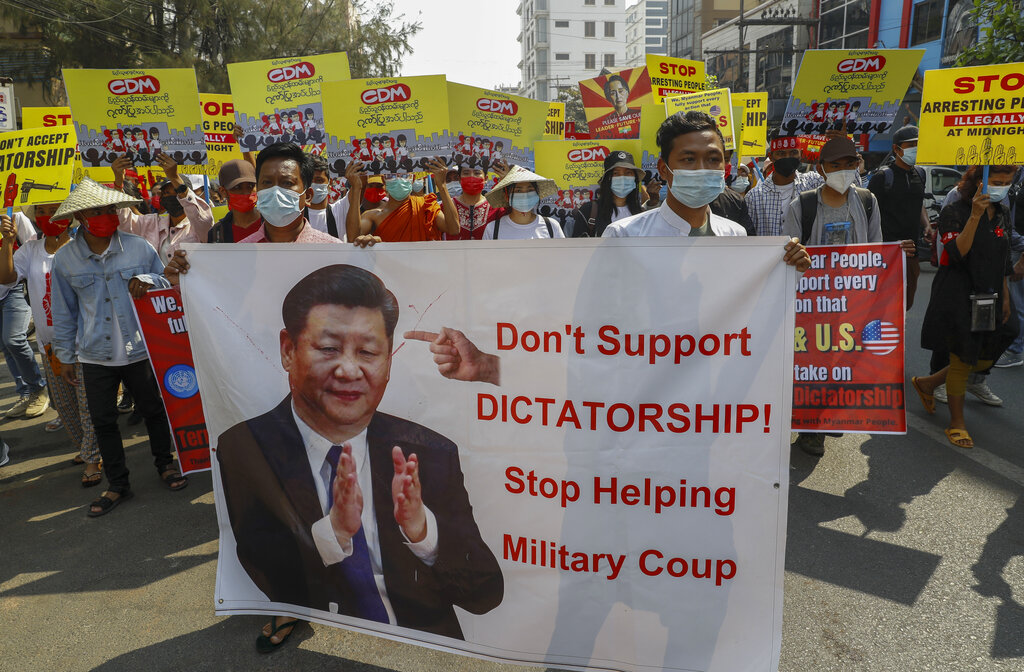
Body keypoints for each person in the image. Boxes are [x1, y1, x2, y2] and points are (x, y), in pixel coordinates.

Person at [215, 264, 504, 640]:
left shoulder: (428, 452)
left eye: (368, 352)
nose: (349, 370)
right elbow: (266, 571)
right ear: (288, 350)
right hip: (322, 647)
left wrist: (422, 533)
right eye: (329, 348)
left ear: (388, 362)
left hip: (421, 648)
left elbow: (485, 594)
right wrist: (332, 533)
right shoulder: (247, 446)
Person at [165, 141, 361, 653]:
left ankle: (321, 591)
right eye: (266, 182)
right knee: (275, 501)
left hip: (320, 403)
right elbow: (221, 315)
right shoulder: (234, 254)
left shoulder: (334, 250)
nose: (276, 192)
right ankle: (288, 601)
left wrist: (375, 255)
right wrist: (187, 275)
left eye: (288, 182)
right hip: (261, 397)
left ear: (308, 189)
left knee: (319, 498)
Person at [49, 178, 185, 517]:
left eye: (112, 209)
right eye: (99, 210)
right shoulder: (65, 259)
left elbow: (166, 282)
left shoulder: (139, 247)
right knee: (103, 421)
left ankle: (164, 464)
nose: (108, 215)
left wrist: (148, 281)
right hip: (94, 355)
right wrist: (64, 357)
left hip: (139, 348)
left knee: (154, 410)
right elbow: (64, 312)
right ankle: (118, 484)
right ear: (81, 217)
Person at [783, 136, 915, 456]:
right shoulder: (802, 206)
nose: (843, 170)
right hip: (811, 302)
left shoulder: (868, 201)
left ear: (858, 165)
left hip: (853, 301)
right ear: (821, 168)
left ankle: (829, 417)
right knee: (814, 365)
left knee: (844, 363)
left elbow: (874, 252)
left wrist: (893, 256)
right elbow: (786, 255)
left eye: (849, 164)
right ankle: (810, 429)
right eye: (835, 165)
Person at [602, 110, 810, 269]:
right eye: (689, 159)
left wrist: (789, 268)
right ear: (663, 169)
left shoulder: (735, 235)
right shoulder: (624, 235)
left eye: (713, 159)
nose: (702, 169)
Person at [912, 165, 1020, 448]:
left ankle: (929, 382)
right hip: (959, 294)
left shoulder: (1003, 213)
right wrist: (974, 216)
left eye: (1007, 182)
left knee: (1000, 339)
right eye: (996, 181)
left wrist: (1006, 294)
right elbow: (956, 253)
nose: (1002, 187)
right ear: (979, 182)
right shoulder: (955, 211)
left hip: (992, 294)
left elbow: (1003, 258)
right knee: (963, 357)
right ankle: (957, 423)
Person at [0, 204, 102, 486]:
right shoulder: (30, 250)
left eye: (54, 209)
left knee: (86, 405)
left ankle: (93, 458)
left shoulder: (85, 244)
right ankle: (87, 447)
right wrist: (8, 243)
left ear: (69, 214)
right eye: (42, 210)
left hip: (85, 341)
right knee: (64, 406)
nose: (48, 215)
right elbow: (6, 279)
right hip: (50, 346)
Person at [868, 125, 928, 309]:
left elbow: (918, 203)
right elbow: (869, 213)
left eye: (918, 144)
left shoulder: (920, 174)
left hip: (911, 253)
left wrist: (927, 225)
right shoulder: (882, 178)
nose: (916, 149)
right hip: (886, 254)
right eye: (911, 145)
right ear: (896, 148)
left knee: (905, 305)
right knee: (884, 306)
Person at [112, 152, 214, 260]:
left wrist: (175, 177)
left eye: (176, 191)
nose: (169, 196)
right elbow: (124, 222)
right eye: (165, 193)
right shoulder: (152, 223)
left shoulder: (198, 226)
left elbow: (204, 221)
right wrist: (118, 183)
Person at [0, 208, 47, 419]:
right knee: (6, 346)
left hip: (13, 289)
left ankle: (39, 389)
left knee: (14, 340)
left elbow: (33, 246)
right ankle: (25, 392)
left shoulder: (13, 215)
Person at [345, 158, 459, 242]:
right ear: (384, 181)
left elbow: (453, 229)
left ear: (412, 179)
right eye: (392, 175)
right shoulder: (372, 216)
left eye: (404, 176)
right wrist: (356, 188)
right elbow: (352, 237)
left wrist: (442, 185)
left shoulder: (426, 206)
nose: (398, 180)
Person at [747, 131, 826, 237]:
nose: (788, 157)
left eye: (793, 152)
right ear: (771, 157)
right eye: (781, 153)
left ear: (801, 154)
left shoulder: (814, 183)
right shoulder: (754, 197)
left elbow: (848, 187)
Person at [569, 151, 645, 238]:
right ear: (607, 179)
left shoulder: (641, 214)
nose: (622, 178)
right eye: (616, 173)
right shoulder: (588, 211)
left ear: (634, 178)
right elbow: (577, 248)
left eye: (628, 173)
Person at [482, 166, 565, 240]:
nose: (525, 195)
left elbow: (562, 255)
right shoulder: (493, 229)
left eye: (530, 190)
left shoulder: (552, 226)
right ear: (506, 196)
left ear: (537, 194)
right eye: (518, 190)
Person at [206, 159, 261, 243]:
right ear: (223, 192)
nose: (245, 192)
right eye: (237, 187)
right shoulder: (217, 233)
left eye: (250, 186)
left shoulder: (273, 225)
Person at [445, 164, 503, 240]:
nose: (471, 177)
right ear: (459, 179)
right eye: (466, 173)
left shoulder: (497, 208)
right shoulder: (444, 207)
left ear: (485, 179)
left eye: (477, 173)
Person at [302, 153, 347, 239]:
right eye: (309, 180)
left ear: (329, 183)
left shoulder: (340, 210)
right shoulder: (293, 217)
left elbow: (358, 186)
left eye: (319, 180)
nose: (313, 185)